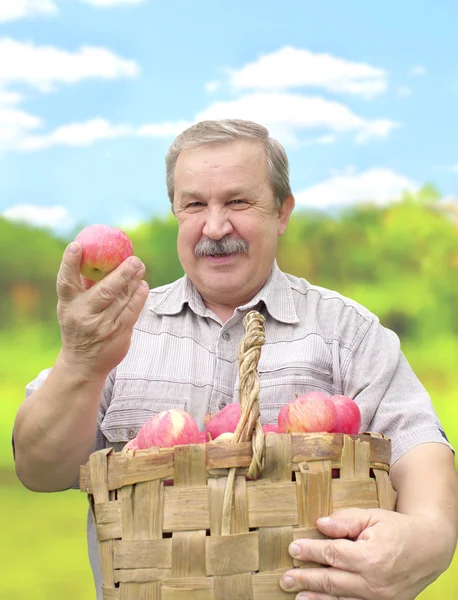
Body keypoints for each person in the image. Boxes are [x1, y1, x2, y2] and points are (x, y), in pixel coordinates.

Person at [13, 119, 457, 600]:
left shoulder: (347, 331)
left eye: (238, 202)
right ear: (176, 212)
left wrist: (430, 536)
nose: (216, 226)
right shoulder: (119, 325)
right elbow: (40, 470)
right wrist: (81, 360)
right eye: (195, 204)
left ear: (282, 212)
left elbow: (419, 446)